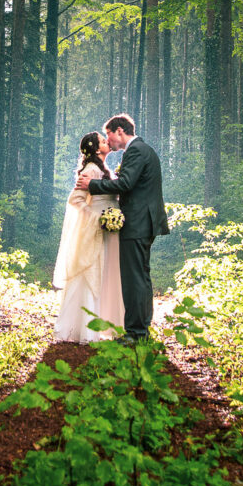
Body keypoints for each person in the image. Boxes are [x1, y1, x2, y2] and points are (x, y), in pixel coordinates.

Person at [76, 114, 168, 342]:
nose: (109, 141)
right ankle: (141, 331)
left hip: (137, 223)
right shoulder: (143, 149)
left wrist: (92, 185)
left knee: (134, 279)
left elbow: (126, 183)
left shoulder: (136, 150)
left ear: (119, 131)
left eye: (109, 135)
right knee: (141, 277)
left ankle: (136, 334)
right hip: (145, 222)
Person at [53, 132, 125, 342]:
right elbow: (76, 199)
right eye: (103, 141)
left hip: (108, 227)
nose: (107, 142)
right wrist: (96, 217)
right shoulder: (91, 169)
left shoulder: (102, 169)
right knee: (92, 270)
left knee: (105, 271)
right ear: (95, 149)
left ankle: (103, 324)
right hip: (97, 227)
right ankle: (84, 329)